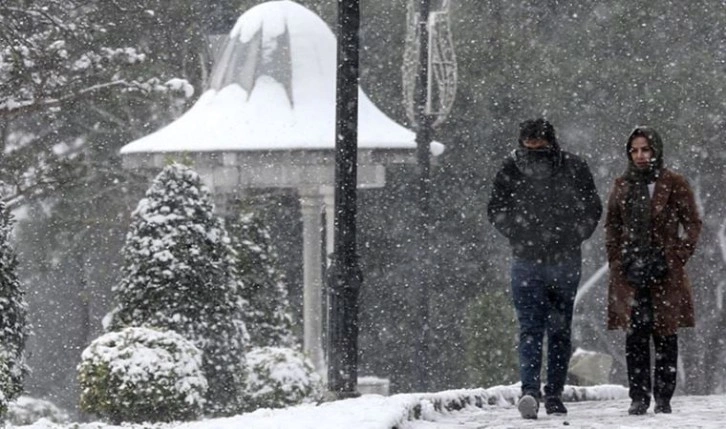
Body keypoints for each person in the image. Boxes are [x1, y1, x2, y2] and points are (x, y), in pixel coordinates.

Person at [487, 118, 602, 419]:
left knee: (547, 329)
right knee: (543, 328)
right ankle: (537, 392)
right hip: (534, 258)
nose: (534, 152)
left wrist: (570, 234)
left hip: (553, 258)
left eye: (539, 146)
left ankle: (545, 392)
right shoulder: (515, 169)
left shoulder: (571, 168)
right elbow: (496, 208)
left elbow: (592, 207)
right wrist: (522, 232)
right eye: (530, 146)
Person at [605, 126, 701, 415]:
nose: (640, 156)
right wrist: (618, 260)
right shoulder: (622, 184)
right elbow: (613, 226)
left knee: (665, 335)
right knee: (635, 336)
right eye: (634, 150)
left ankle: (663, 397)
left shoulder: (674, 182)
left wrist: (676, 256)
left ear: (656, 150)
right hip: (631, 271)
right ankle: (638, 396)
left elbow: (693, 223)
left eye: (645, 149)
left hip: (665, 272)